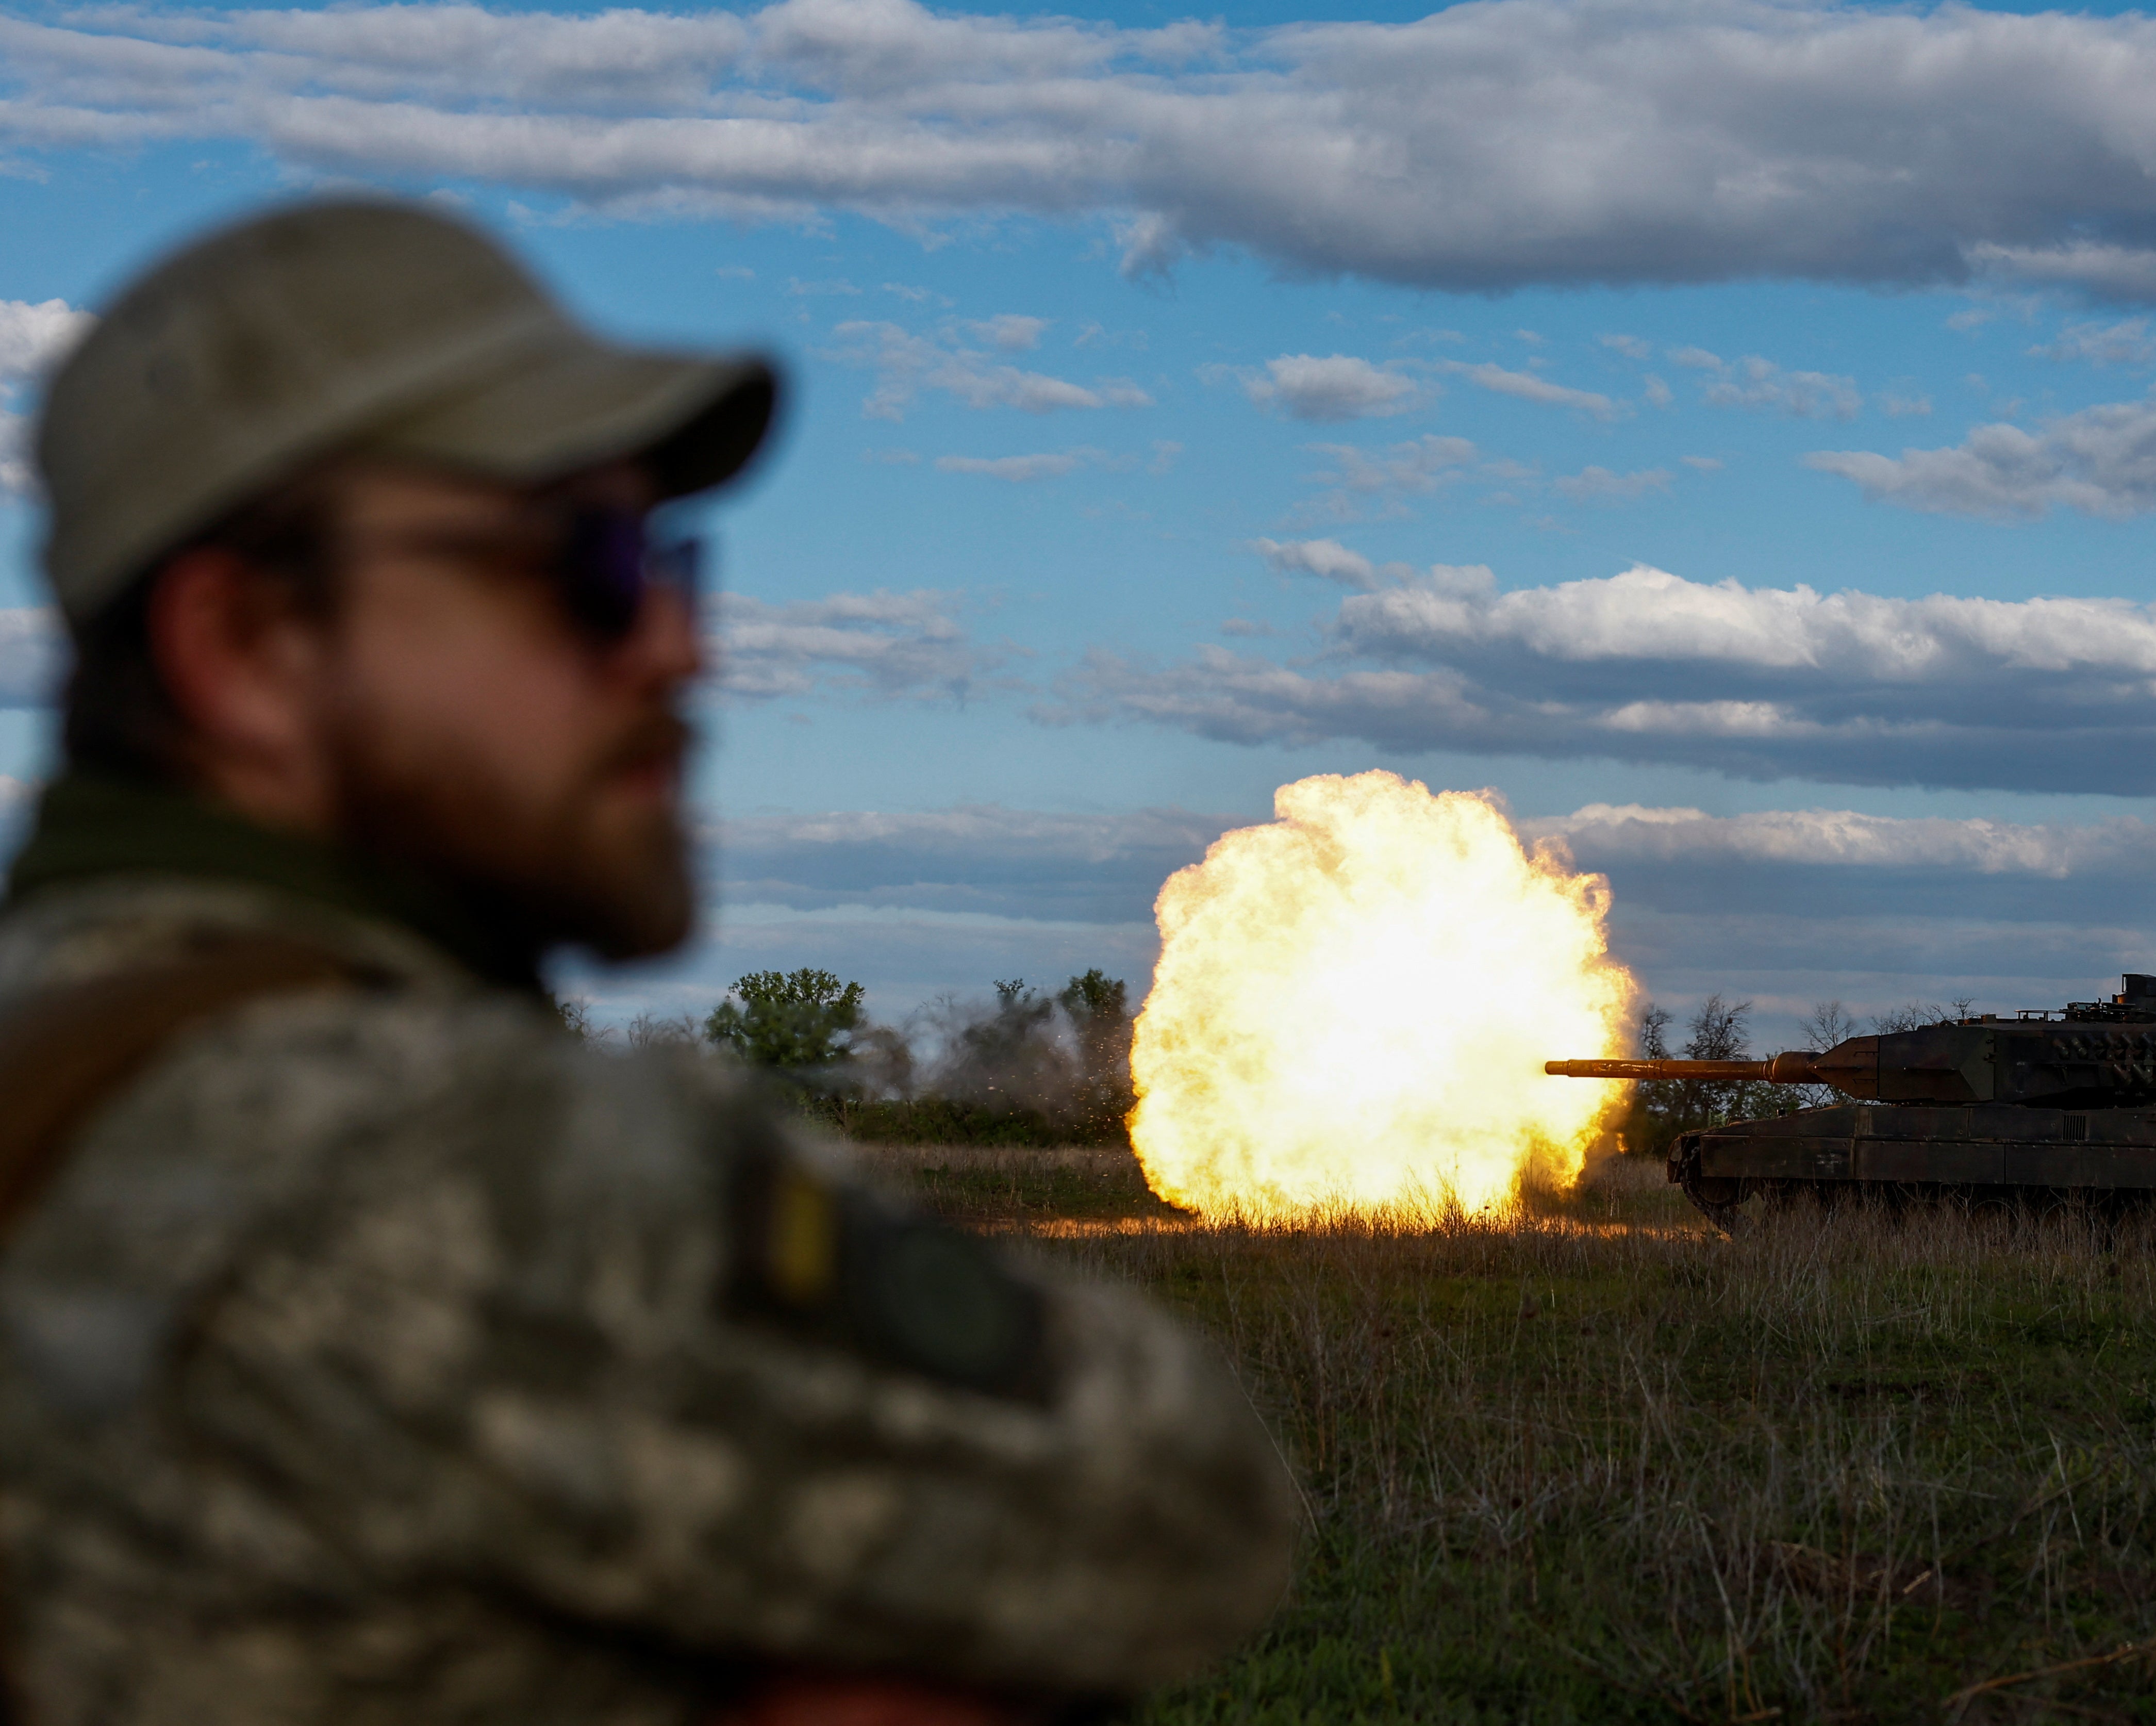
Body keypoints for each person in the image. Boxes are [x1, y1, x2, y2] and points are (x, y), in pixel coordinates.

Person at [0, 200, 1296, 1726]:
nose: (677, 644)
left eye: (675, 560)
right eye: (585, 563)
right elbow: (1181, 1500)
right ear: (248, 642)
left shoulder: (63, 1060)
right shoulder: (435, 1152)